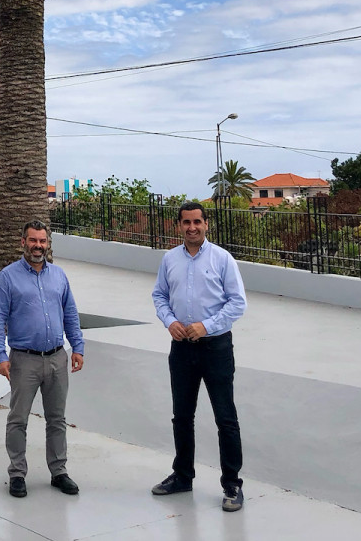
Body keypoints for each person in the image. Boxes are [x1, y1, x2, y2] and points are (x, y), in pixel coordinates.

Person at [151, 201, 248, 512]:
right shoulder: (169, 259)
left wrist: (205, 327)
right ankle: (182, 476)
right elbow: (159, 295)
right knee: (182, 416)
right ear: (178, 226)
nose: (191, 227)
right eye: (186, 222)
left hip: (216, 349)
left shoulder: (222, 259)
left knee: (226, 419)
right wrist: (171, 322)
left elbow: (237, 303)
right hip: (181, 349)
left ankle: (232, 484)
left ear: (206, 224)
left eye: (197, 222)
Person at [0, 220, 85, 499]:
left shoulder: (59, 276)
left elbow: (71, 314)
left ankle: (59, 472)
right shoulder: (8, 277)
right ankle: (17, 473)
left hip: (57, 358)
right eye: (33, 240)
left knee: (57, 419)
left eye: (42, 241)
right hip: (23, 360)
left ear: (48, 243)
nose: (38, 246)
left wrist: (77, 347)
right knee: (18, 419)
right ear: (23, 242)